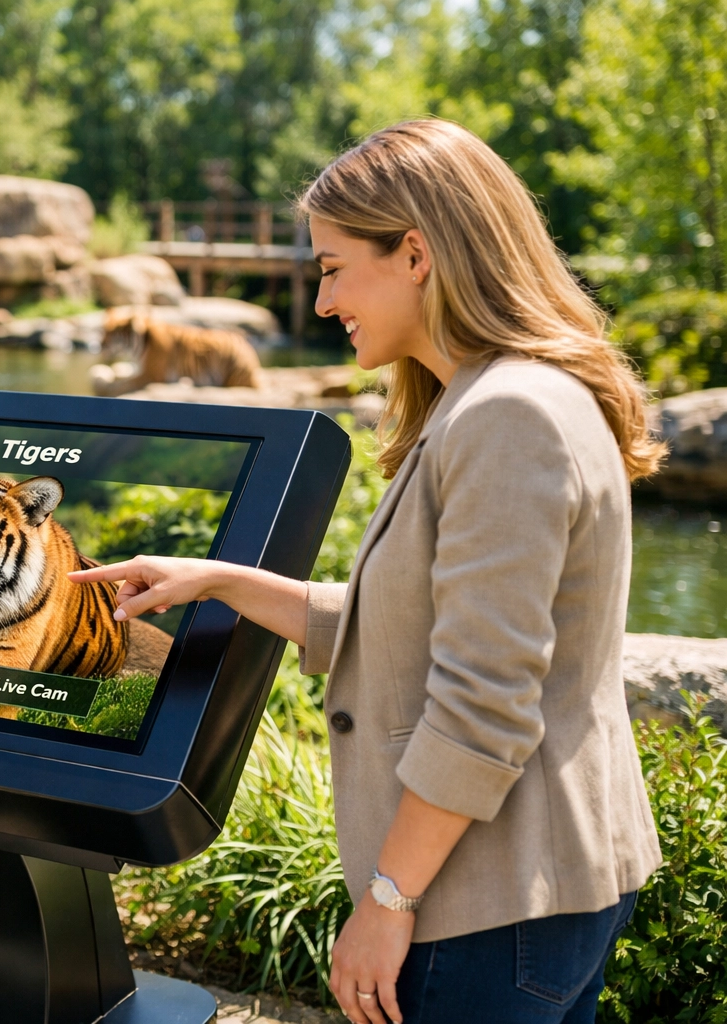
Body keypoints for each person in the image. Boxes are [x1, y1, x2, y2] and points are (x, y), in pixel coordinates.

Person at [71, 119, 663, 1024]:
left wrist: (387, 902)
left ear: (417, 253)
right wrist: (221, 578)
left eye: (334, 267)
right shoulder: (504, 397)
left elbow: (482, 700)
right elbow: (427, 620)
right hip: (529, 892)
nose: (320, 302)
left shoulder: (506, 417)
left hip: (482, 904)